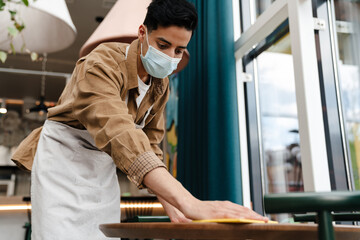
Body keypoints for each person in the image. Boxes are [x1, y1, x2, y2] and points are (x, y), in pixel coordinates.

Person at [12, 0, 268, 239]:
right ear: (142, 32)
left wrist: (172, 206)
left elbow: (150, 146)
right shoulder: (101, 63)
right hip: (63, 162)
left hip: (102, 167)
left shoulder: (161, 85)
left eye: (180, 50)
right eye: (163, 45)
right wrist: (190, 203)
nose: (170, 57)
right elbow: (119, 131)